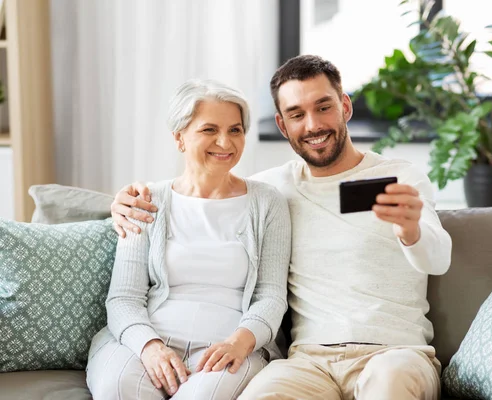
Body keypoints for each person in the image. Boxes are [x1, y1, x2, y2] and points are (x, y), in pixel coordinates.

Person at [111, 55, 452, 400]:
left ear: (345, 106)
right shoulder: (272, 191)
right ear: (281, 124)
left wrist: (412, 231)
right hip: (308, 362)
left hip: (393, 355)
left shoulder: (400, 176)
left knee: (388, 388)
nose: (313, 125)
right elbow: (205, 191)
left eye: (323, 107)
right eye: (296, 115)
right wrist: (123, 202)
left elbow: (438, 260)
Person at [86, 79, 291, 400]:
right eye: (209, 130)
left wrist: (239, 342)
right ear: (179, 137)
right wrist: (149, 347)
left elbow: (271, 295)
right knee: (118, 388)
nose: (225, 142)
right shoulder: (145, 199)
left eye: (235, 130)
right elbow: (123, 297)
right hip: (144, 341)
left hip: (228, 346)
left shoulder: (268, 202)